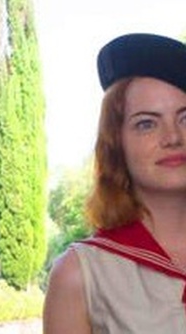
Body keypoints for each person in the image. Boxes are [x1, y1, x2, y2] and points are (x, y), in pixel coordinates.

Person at [43, 33, 186, 333]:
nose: (173, 137)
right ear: (116, 143)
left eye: (185, 118)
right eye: (146, 124)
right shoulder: (80, 275)